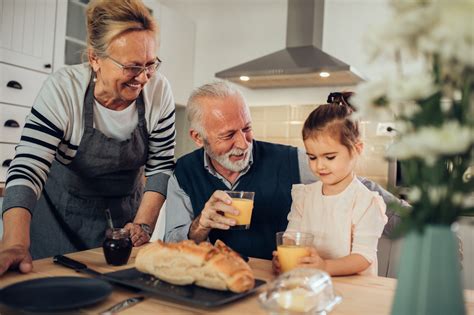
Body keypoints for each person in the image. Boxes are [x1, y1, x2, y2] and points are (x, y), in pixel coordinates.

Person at [0, 0, 175, 275]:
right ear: (95, 58)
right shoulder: (63, 90)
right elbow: (27, 168)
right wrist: (13, 242)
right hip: (61, 223)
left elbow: (161, 166)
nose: (143, 78)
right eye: (131, 67)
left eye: (150, 65)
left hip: (122, 226)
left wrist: (143, 225)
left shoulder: (159, 91)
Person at [164, 81, 405, 260]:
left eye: (247, 128)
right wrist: (201, 224)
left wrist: (426, 221)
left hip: (277, 282)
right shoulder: (184, 173)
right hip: (213, 281)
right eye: (228, 135)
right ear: (198, 137)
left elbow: (358, 187)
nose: (243, 143)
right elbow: (172, 245)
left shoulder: (291, 160)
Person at [272, 102, 387, 276]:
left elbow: (363, 257)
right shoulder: (304, 196)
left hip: (355, 291)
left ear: (356, 149)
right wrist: (285, 257)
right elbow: (291, 236)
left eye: (330, 157)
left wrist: (324, 267)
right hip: (311, 285)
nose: (319, 166)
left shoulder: (367, 202)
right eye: (312, 157)